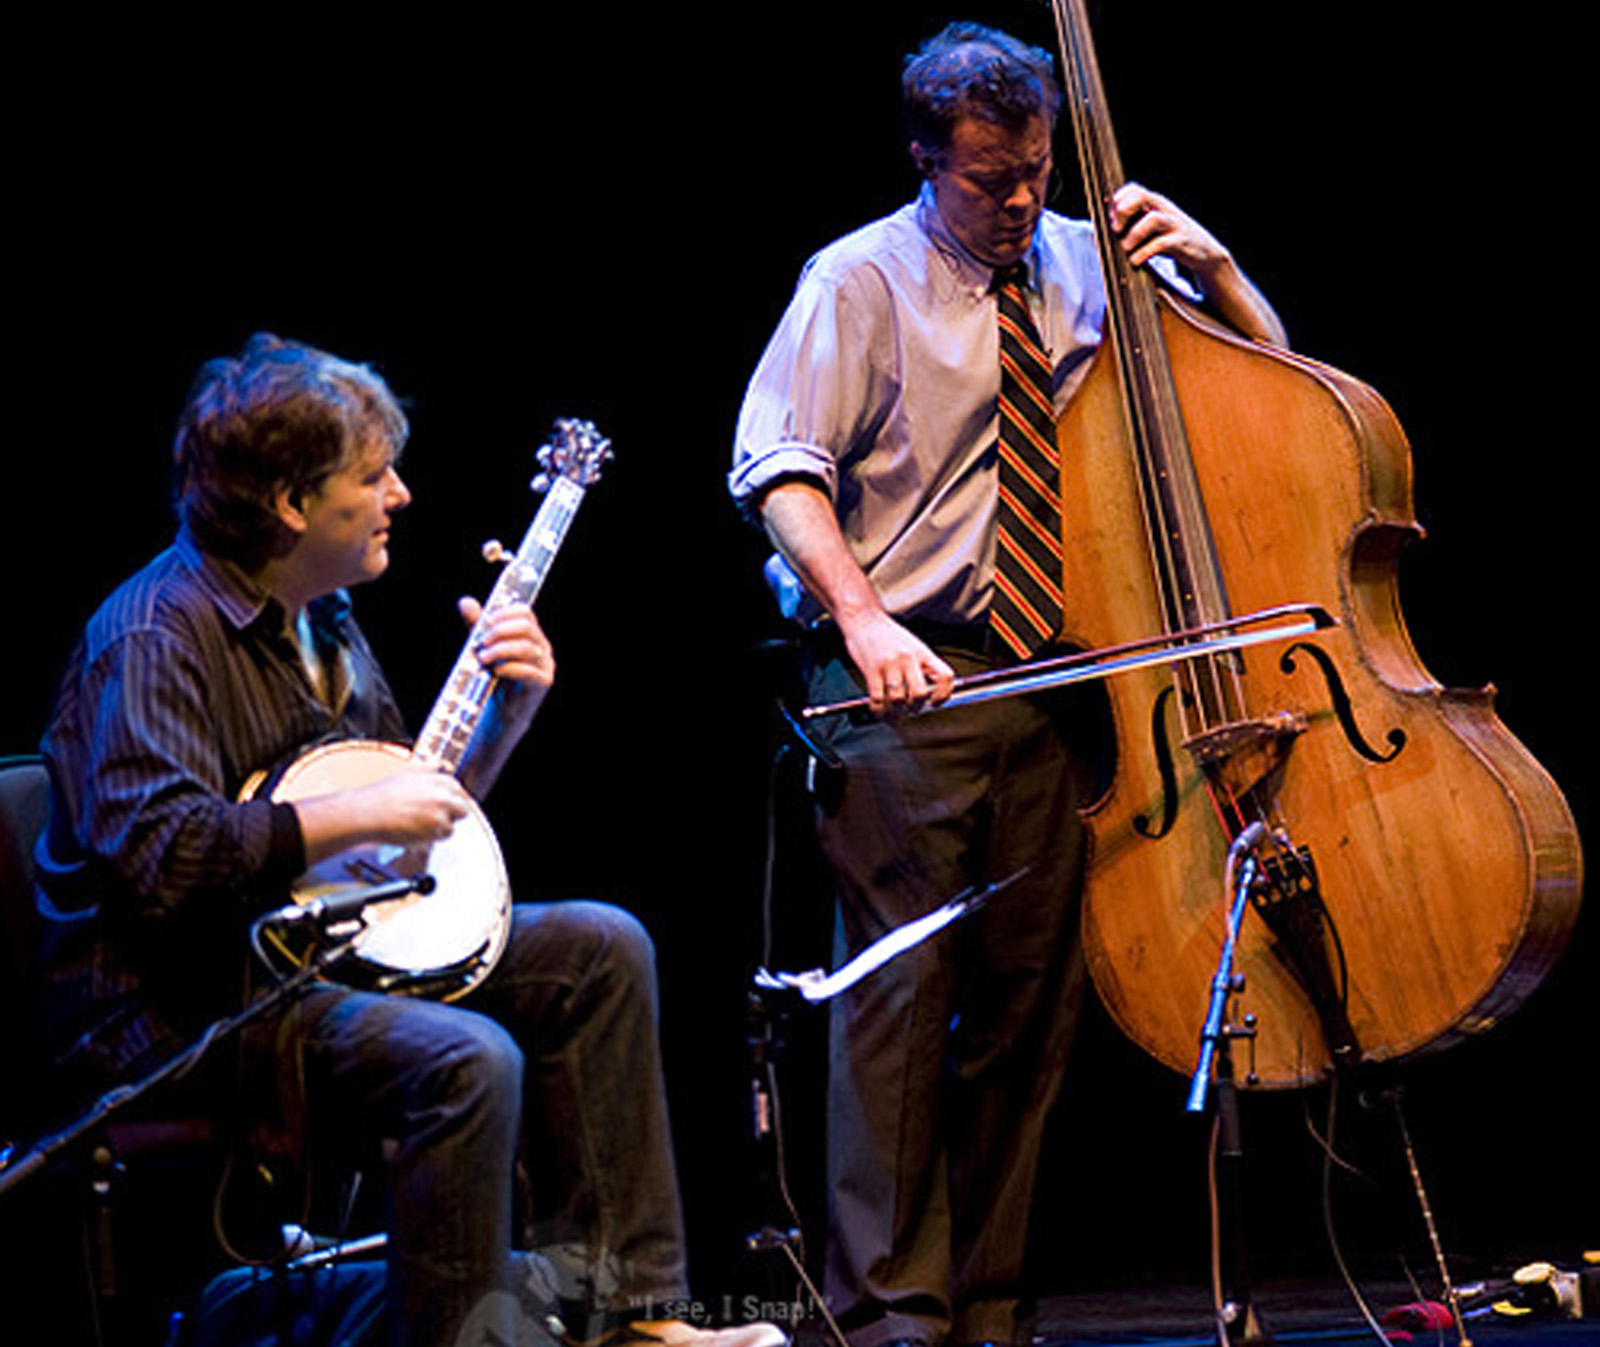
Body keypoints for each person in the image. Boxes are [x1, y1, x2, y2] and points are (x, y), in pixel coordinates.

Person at [35, 333, 784, 1347]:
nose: (400, 495)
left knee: (597, 950)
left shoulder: (323, 616)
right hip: (192, 1006)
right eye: (372, 476)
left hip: (321, 952)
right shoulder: (154, 636)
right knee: (464, 1059)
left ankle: (630, 1324)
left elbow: (404, 826)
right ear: (293, 505)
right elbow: (164, 856)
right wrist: (356, 816)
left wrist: (504, 718)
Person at [728, 23, 1286, 1347]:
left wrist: (1215, 267)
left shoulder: (1091, 260)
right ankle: (893, 1315)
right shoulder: (858, 280)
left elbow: (1272, 387)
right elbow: (779, 468)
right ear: (929, 160)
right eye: (992, 179)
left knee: (1027, 1013)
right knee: (901, 1018)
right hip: (910, 682)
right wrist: (862, 620)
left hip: (1060, 683)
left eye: (1036, 171)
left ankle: (989, 1304)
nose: (1023, 201)